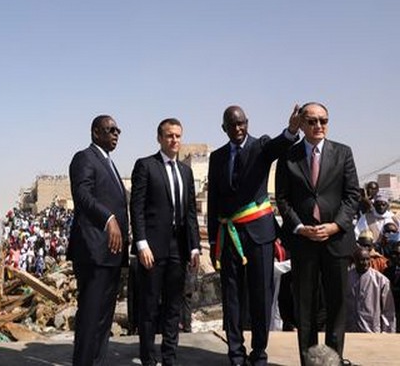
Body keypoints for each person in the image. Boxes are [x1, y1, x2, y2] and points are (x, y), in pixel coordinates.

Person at [207, 105, 301, 366]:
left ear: (247, 123)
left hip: (260, 236)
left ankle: (259, 353)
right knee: (232, 297)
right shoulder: (217, 157)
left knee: (261, 297)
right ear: (224, 128)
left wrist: (292, 128)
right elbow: (213, 201)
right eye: (232, 125)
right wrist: (214, 239)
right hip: (228, 238)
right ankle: (235, 354)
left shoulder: (261, 146)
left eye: (242, 124)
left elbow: (280, 145)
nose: (238, 129)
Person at [276, 102, 360, 366]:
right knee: (306, 307)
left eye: (323, 120)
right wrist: (300, 227)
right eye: (312, 121)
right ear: (301, 124)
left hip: (336, 241)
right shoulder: (289, 157)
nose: (319, 126)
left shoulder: (343, 153)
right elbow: (283, 199)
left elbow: (352, 195)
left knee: (336, 307)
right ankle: (310, 361)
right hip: (304, 243)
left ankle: (333, 360)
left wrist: (335, 226)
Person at [131, 118, 200, 366]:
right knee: (149, 306)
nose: (175, 140)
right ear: (160, 138)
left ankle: (169, 357)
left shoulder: (186, 171)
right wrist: (141, 244)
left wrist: (194, 246)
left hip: (178, 248)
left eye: (178, 136)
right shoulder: (146, 166)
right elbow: (136, 208)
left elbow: (190, 211)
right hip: (152, 247)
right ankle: (148, 358)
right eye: (170, 136)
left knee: (174, 306)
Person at [67, 114, 129, 365]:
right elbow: (82, 194)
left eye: (118, 130)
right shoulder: (84, 158)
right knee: (91, 317)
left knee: (104, 318)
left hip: (111, 253)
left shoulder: (110, 163)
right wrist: (109, 218)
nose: (116, 134)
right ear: (95, 132)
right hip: (93, 252)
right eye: (110, 129)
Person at [346, 247, 396, 332]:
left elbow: (388, 310)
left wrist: (387, 333)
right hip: (349, 330)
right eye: (361, 260)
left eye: (367, 259)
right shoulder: (346, 278)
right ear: (355, 260)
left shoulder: (381, 280)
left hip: (371, 331)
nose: (365, 263)